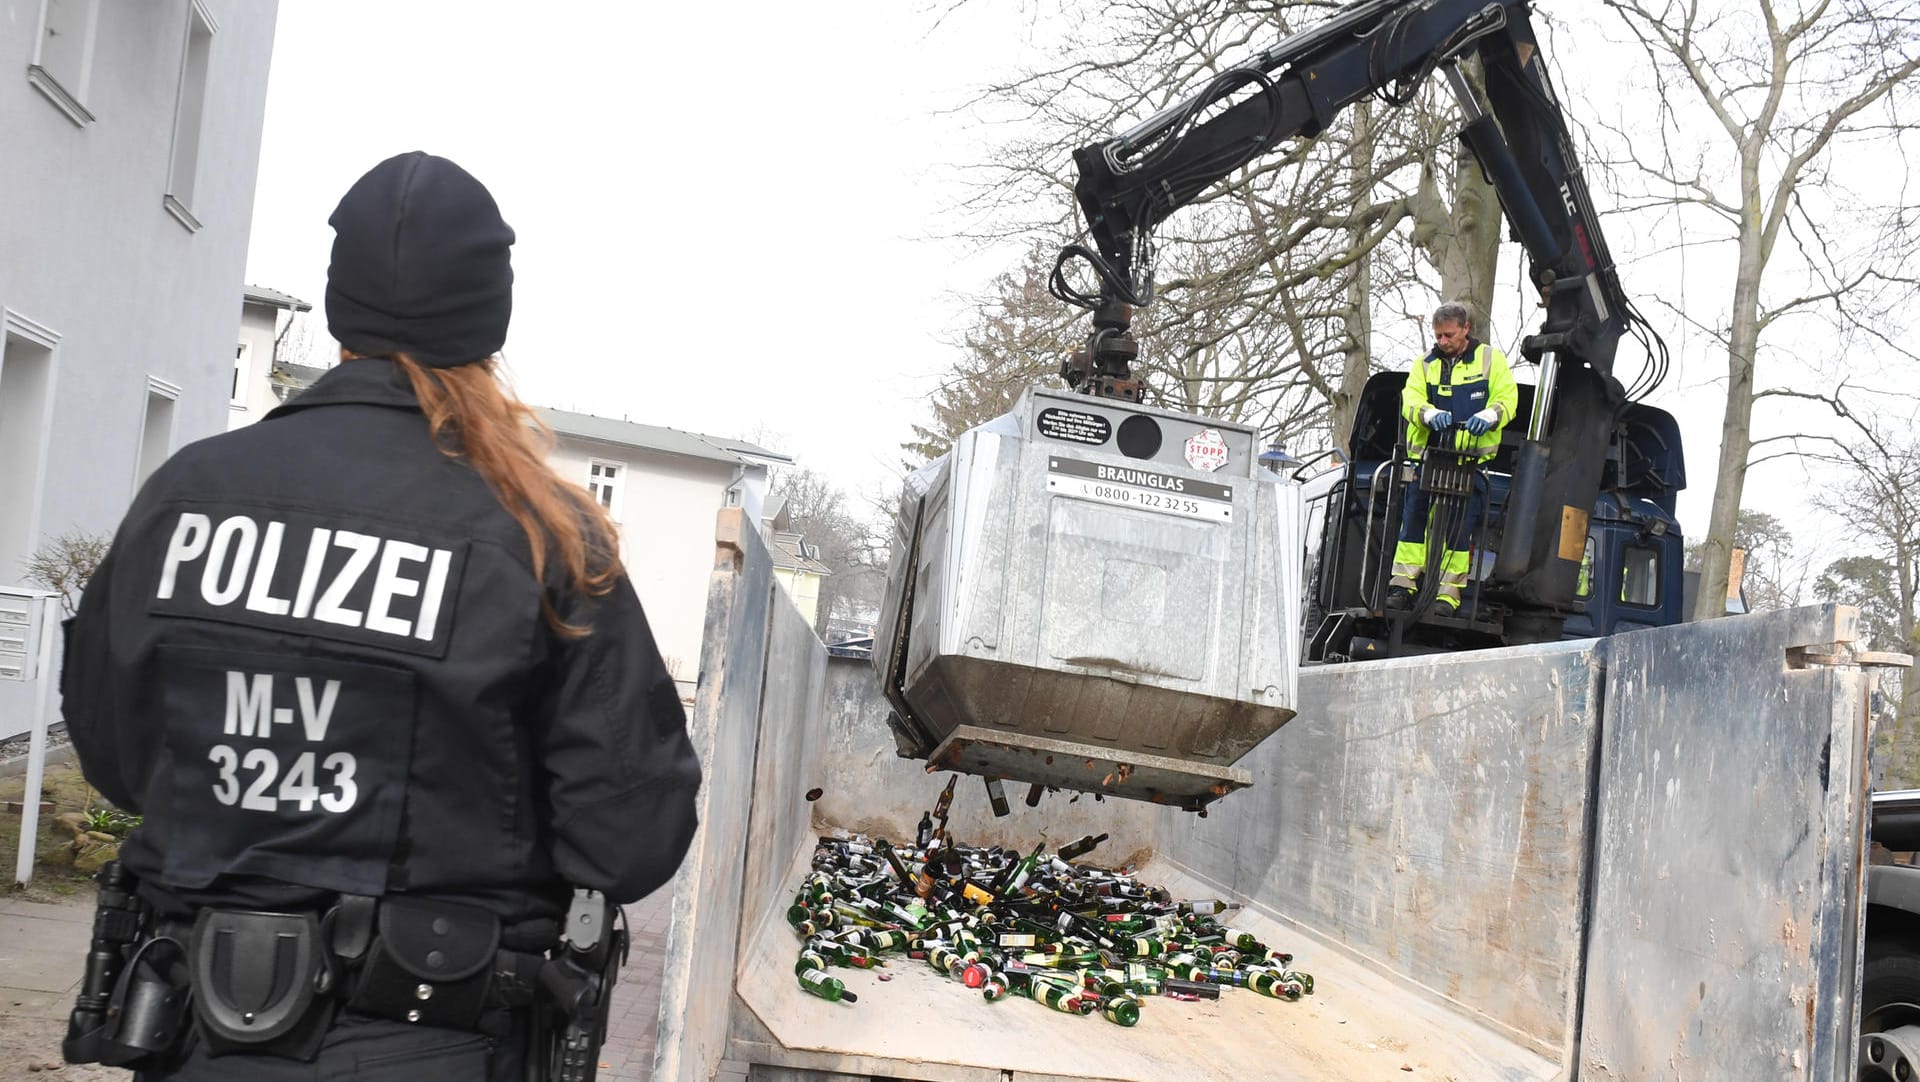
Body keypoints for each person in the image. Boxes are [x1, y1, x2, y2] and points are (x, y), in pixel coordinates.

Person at [59, 151, 703, 1080]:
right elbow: (629, 840)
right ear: (489, 324)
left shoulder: (185, 496)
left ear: (339, 308)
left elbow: (120, 762)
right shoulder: (541, 537)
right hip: (434, 1038)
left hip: (196, 1035)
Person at [1386, 302, 1517, 614]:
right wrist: (1430, 414)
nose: (1443, 341)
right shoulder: (1425, 364)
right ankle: (1403, 586)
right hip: (1429, 461)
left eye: (1449, 335)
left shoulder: (1489, 360)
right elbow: (1411, 400)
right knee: (1414, 524)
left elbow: (1507, 398)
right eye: (1438, 336)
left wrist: (1488, 415)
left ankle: (1448, 595)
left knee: (1460, 530)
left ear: (1466, 329)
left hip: (1470, 465)